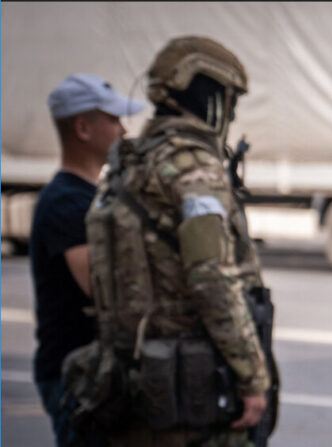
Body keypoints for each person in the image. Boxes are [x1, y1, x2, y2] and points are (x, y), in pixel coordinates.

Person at [72, 36, 278, 446]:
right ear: (207, 95)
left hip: (133, 386)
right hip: (192, 397)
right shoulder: (194, 168)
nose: (229, 112)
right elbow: (213, 278)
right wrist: (253, 376)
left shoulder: (129, 162)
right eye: (226, 99)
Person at [30, 74, 145, 446]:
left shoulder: (87, 195)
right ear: (82, 128)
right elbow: (103, 290)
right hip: (75, 376)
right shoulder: (66, 202)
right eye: (113, 120)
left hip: (92, 372)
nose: (123, 130)